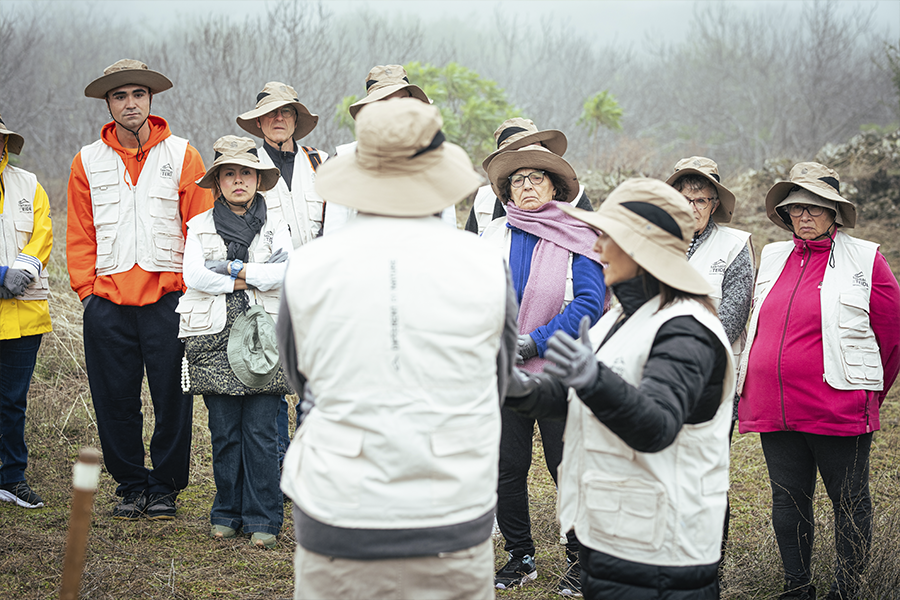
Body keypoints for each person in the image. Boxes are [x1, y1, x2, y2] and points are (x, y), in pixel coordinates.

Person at [278, 98, 517, 600]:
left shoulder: (308, 266)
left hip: (338, 504)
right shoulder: (485, 263)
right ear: (437, 176)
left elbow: (299, 378)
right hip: (450, 507)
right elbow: (495, 381)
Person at [505, 178, 735, 599]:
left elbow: (657, 425)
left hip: (664, 550)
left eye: (607, 238)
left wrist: (594, 378)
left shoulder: (687, 330)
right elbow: (576, 397)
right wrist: (514, 386)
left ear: (639, 248)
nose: (596, 249)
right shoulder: (619, 318)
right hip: (610, 533)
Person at [737, 162, 900, 600]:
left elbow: (891, 334)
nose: (804, 216)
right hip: (773, 407)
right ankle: (796, 587)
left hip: (837, 407)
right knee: (787, 503)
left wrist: (867, 393)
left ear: (834, 212)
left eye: (814, 207)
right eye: (795, 208)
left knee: (848, 502)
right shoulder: (772, 256)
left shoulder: (866, 259)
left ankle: (846, 590)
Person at [66, 59, 212, 520]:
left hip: (168, 300)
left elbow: (200, 229)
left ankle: (165, 488)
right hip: (107, 303)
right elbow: (80, 231)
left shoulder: (184, 155)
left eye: (138, 95)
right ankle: (130, 485)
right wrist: (87, 293)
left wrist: (190, 291)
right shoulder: (86, 159)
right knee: (115, 398)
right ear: (108, 104)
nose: (130, 103)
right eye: (120, 96)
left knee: (173, 398)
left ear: (151, 100)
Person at [482, 143, 606, 594]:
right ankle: (521, 555)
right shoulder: (493, 236)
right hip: (503, 372)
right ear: (507, 193)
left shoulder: (579, 233)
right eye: (518, 180)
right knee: (506, 466)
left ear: (554, 187)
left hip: (560, 372)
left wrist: (533, 341)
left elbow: (591, 303)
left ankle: (581, 557)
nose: (527, 186)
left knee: (566, 466)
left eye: (537, 178)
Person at [179, 135, 292, 549]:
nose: (239, 181)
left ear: (258, 180)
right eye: (230, 174)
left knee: (262, 431)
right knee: (225, 430)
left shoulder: (277, 224)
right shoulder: (199, 226)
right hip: (213, 336)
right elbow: (195, 276)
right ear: (219, 182)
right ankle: (227, 511)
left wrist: (231, 269)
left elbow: (285, 273)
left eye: (246, 173)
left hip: (263, 334)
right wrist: (253, 273)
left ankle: (263, 516)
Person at [236, 82, 327, 466]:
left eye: (285, 112)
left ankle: (315, 459)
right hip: (270, 292)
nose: (278, 119)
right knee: (272, 378)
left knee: (319, 377)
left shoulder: (320, 161)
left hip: (322, 289)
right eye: (270, 114)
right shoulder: (246, 168)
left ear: (295, 119)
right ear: (258, 123)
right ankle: (279, 463)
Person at [666, 156, 754, 552]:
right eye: (684, 198)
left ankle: (707, 556)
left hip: (712, 383)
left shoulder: (735, 247)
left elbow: (732, 317)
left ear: (715, 203)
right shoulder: (656, 241)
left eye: (701, 200)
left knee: (705, 473)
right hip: (658, 379)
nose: (692, 207)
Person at [324, 64, 457, 233]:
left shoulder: (434, 156)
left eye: (402, 101)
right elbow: (334, 230)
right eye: (384, 102)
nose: (395, 109)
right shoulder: (345, 158)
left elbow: (448, 226)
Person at [0, 113, 52, 509]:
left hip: (24, 313)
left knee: (13, 401)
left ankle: (12, 477)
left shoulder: (29, 184)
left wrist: (26, 268)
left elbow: (42, 232)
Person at [464, 118, 592, 235]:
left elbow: (592, 243)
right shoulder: (484, 200)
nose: (527, 186)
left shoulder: (576, 196)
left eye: (536, 177)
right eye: (516, 152)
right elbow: (470, 248)